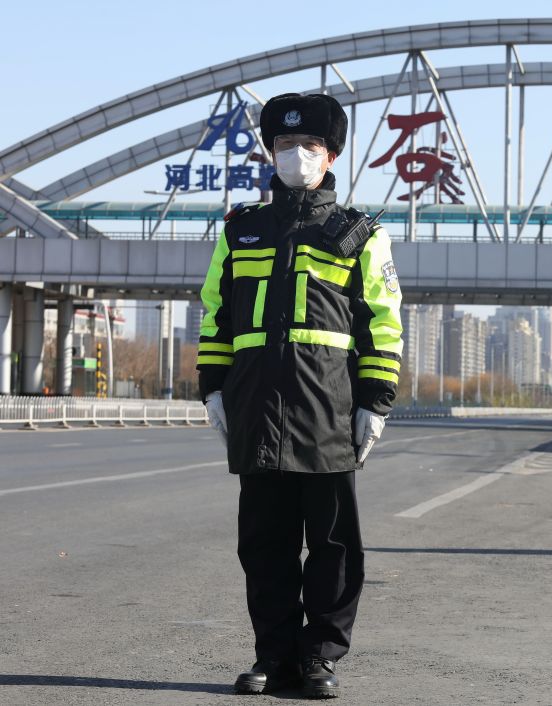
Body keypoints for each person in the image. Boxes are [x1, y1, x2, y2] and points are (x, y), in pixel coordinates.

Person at [195, 92, 403, 697]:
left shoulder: (359, 234)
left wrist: (376, 400)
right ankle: (274, 657)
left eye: (309, 145)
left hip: (329, 411)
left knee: (334, 546)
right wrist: (213, 388)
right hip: (256, 406)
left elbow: (383, 322)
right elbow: (217, 316)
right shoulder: (241, 231)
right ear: (270, 151)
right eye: (285, 144)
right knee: (265, 546)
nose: (296, 155)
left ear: (331, 154)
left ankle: (320, 658)